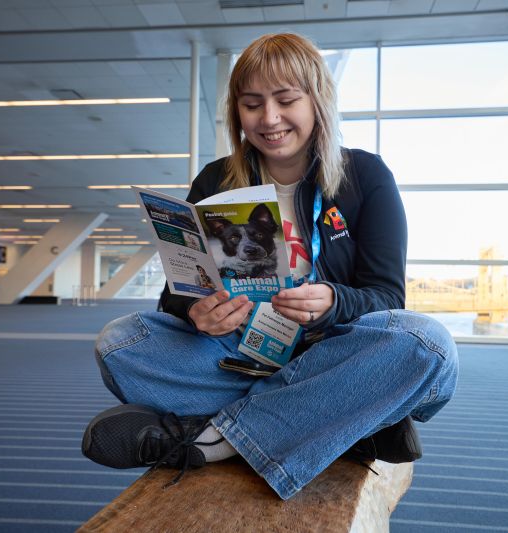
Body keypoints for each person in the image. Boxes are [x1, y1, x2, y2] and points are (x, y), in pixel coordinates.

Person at [82, 33, 458, 500]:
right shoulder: (216, 179)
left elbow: (386, 297)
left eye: (286, 100)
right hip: (240, 354)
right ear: (237, 111)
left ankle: (214, 440)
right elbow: (178, 291)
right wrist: (195, 311)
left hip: (334, 351)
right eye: (252, 103)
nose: (270, 118)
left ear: (317, 102)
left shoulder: (365, 175)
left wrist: (334, 300)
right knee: (119, 343)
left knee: (427, 345)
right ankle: (345, 419)